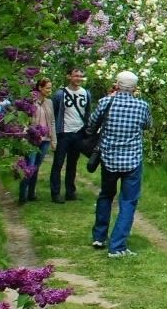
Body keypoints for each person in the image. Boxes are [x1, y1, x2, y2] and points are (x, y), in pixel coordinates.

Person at [88, 70, 151, 258]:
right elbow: (148, 125)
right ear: (135, 88)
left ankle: (99, 236)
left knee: (106, 195)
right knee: (128, 201)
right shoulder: (142, 106)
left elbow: (92, 123)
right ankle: (117, 245)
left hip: (109, 158)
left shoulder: (106, 102)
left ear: (117, 84)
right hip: (132, 159)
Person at [49, 67, 92, 203]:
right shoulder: (59, 94)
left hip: (78, 132)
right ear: (69, 77)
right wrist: (54, 133)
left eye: (81, 76)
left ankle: (70, 191)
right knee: (58, 163)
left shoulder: (86, 93)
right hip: (64, 133)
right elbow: (54, 114)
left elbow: (88, 112)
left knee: (73, 164)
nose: (78, 78)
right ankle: (55, 193)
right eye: (76, 75)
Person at [18, 78, 56, 205]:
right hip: (31, 139)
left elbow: (52, 122)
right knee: (29, 166)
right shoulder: (31, 102)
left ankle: (31, 194)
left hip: (45, 140)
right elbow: (23, 121)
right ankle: (22, 195)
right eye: (47, 88)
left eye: (50, 88)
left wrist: (53, 140)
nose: (49, 90)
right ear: (40, 87)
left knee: (36, 167)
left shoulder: (49, 102)